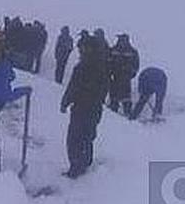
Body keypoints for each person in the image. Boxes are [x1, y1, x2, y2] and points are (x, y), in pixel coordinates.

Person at [60, 34, 109, 178]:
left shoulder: (88, 67)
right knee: (86, 137)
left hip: (85, 109)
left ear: (89, 49)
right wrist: (65, 101)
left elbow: (75, 87)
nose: (80, 51)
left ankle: (76, 168)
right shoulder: (96, 66)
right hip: (90, 109)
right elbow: (73, 87)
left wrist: (69, 100)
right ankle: (84, 163)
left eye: (82, 48)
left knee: (76, 139)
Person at [108, 33, 140, 116]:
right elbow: (108, 61)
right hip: (114, 76)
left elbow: (136, 65)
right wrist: (109, 72)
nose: (121, 42)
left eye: (122, 40)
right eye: (120, 40)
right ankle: (113, 110)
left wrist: (131, 74)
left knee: (126, 96)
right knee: (113, 94)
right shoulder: (113, 49)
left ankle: (127, 111)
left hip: (125, 78)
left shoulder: (132, 51)